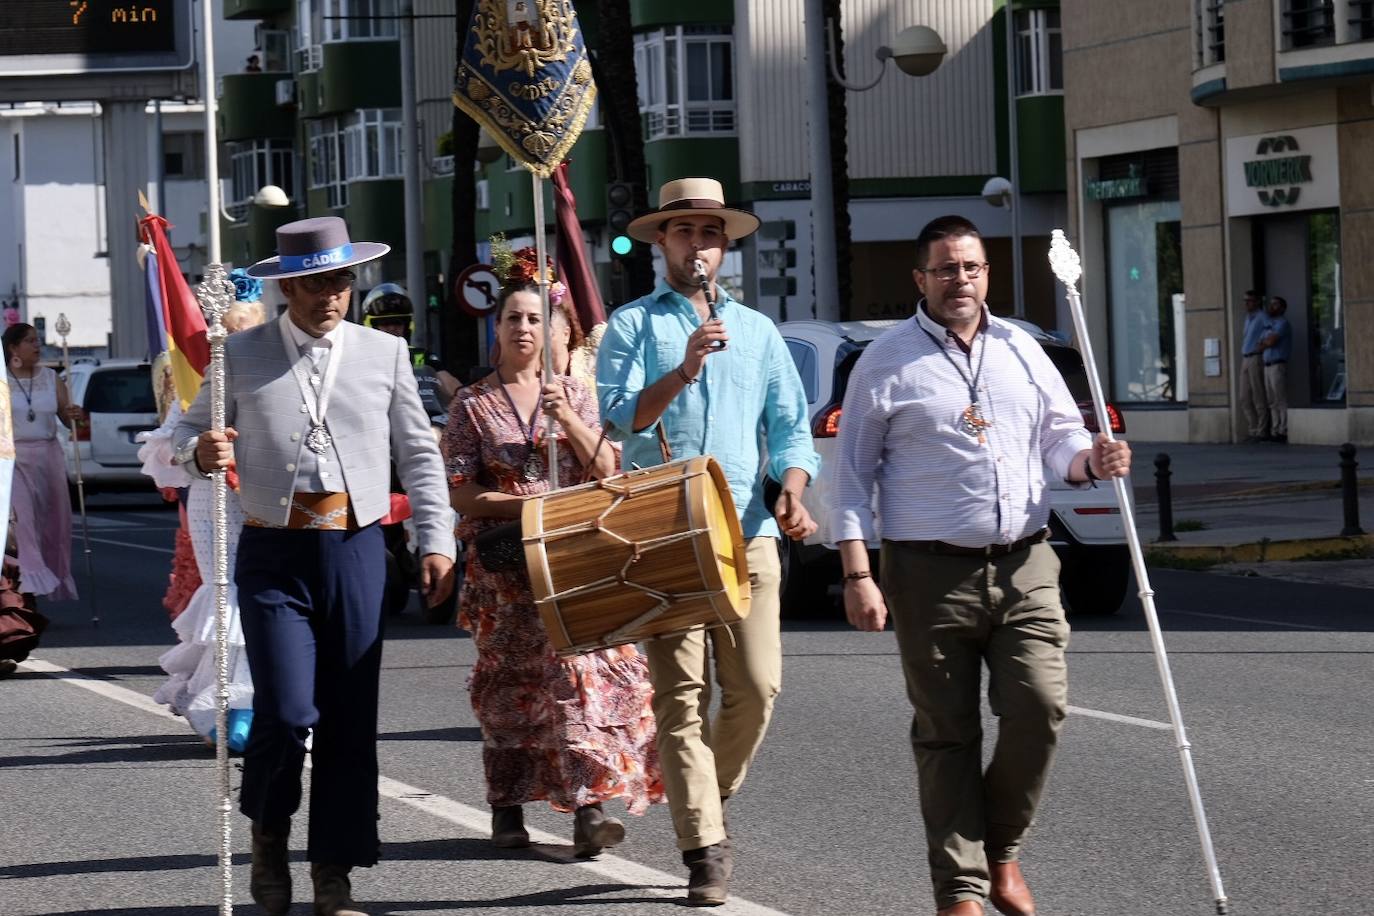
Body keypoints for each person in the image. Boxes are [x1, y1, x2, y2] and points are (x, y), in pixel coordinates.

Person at [830, 215, 1133, 916]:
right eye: (944, 269)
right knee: (947, 733)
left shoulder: (1023, 351)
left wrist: (1091, 461)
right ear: (921, 280)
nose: (958, 280)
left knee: (1040, 705)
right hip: (927, 571)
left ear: (986, 273)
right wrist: (857, 573)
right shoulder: (887, 361)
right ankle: (960, 891)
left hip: (1026, 561)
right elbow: (853, 477)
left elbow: (1060, 441)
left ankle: (1001, 851)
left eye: (969, 267)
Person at [173, 217, 456, 916]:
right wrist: (199, 453)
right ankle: (270, 832)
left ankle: (335, 869)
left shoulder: (383, 355)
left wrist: (436, 539)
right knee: (289, 707)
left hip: (358, 546)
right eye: (317, 282)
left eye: (342, 280)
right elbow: (185, 434)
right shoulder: (237, 354)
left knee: (350, 717)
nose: (333, 294)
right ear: (287, 287)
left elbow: (420, 454)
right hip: (275, 549)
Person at [596, 177, 820, 906]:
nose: (700, 245)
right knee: (679, 697)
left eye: (711, 233)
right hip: (662, 531)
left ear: (725, 248)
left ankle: (707, 801)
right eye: (685, 232)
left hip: (747, 533)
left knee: (757, 687)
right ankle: (704, 850)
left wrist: (790, 487)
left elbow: (791, 429)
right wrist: (686, 365)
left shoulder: (757, 332)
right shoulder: (631, 325)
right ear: (661, 242)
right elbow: (622, 418)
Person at [443, 248, 663, 857]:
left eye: (535, 319)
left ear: (553, 330)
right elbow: (461, 490)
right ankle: (507, 810)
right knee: (511, 684)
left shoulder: (572, 394)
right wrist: (525, 508)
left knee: (581, 679)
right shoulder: (473, 404)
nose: (523, 328)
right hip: (507, 571)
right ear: (499, 328)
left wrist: (570, 420)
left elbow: (606, 468)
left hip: (572, 559)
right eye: (513, 318)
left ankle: (589, 809)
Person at [141, 274, 268, 750]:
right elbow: (168, 451)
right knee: (230, 590)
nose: (235, 340)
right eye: (227, 332)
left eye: (245, 330)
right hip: (212, 499)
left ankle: (259, 703)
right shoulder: (198, 380)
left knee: (262, 593)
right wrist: (201, 448)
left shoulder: (272, 370)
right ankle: (231, 705)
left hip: (265, 498)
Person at [4, 323, 80, 603]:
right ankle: (30, 579)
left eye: (38, 340)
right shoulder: (2, 380)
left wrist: (74, 414)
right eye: (30, 341)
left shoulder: (51, 377)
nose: (37, 346)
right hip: (15, 458)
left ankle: (51, 577)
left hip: (49, 455)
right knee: (23, 520)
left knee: (54, 523)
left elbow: (68, 418)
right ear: (13, 348)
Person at [360, 282, 460, 414]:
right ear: (371, 326)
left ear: (407, 326)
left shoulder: (419, 356)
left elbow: (448, 383)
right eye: (385, 323)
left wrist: (464, 396)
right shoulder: (360, 359)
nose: (391, 328)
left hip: (421, 417)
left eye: (397, 323)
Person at [1237, 290, 1270, 443]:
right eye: (1245, 300)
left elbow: (1272, 331)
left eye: (1249, 300)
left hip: (1255, 357)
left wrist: (1262, 345)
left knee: (1258, 394)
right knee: (1244, 396)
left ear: (1257, 302)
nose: (1246, 303)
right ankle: (1253, 428)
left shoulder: (1262, 316)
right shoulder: (1248, 317)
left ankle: (1262, 431)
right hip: (1245, 357)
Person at [1260, 295, 1292, 443]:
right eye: (1271, 304)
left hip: (1277, 364)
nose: (1272, 307)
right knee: (1271, 400)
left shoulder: (1283, 323)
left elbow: (1271, 341)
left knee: (1280, 398)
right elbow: (1260, 343)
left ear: (1283, 308)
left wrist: (1267, 342)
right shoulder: (1269, 325)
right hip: (1267, 365)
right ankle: (1275, 429)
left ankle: (1283, 430)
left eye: (1276, 305)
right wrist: (1266, 342)